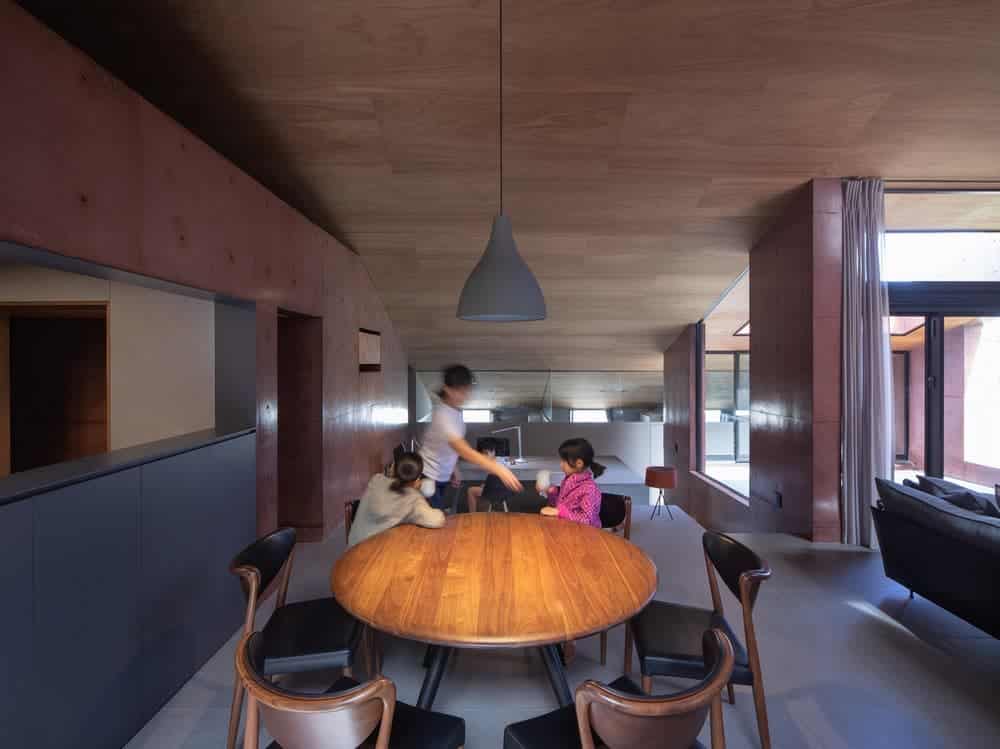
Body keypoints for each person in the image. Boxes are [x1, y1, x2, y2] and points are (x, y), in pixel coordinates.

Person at [419, 364, 523, 510]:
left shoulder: (455, 412)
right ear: (448, 389)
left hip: (440, 476)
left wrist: (453, 468)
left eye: (467, 390)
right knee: (431, 520)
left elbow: (447, 445)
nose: (465, 395)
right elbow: (462, 449)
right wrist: (497, 468)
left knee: (435, 514)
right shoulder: (443, 414)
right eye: (461, 391)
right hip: (427, 475)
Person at [348, 452, 445, 548]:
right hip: (374, 556)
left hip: (352, 548)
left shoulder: (376, 480)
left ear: (393, 467)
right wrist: (417, 491)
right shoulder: (413, 499)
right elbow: (438, 520)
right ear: (417, 479)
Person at [538, 437, 604, 527]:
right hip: (567, 529)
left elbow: (586, 521)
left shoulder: (589, 489)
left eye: (564, 461)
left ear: (579, 463)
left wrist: (559, 512)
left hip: (586, 535)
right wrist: (552, 493)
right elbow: (561, 506)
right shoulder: (568, 481)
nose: (561, 465)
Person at [466, 437, 514, 512]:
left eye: (486, 453)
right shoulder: (501, 459)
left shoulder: (488, 464)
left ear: (493, 451)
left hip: (494, 491)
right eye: (484, 453)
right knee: (482, 486)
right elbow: (511, 462)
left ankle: (472, 514)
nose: (485, 455)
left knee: (470, 491)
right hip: (505, 491)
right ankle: (486, 510)